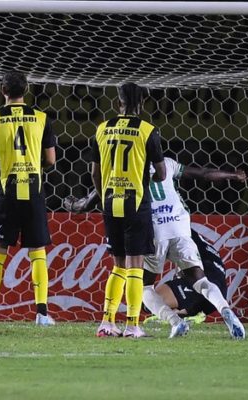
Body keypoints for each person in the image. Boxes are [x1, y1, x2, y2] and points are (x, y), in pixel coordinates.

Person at [65, 157, 247, 339]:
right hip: (180, 228)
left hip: (154, 231)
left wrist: (78, 205)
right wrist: (232, 174)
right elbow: (204, 174)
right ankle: (225, 310)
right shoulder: (167, 163)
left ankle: (176, 322)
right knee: (200, 280)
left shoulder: (129, 167)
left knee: (144, 287)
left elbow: (99, 194)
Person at [0, 71, 57, 327]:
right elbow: (52, 160)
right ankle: (42, 314)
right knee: (38, 250)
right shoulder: (42, 118)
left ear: (2, 91)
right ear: (27, 90)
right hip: (33, 187)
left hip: (5, 188)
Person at [90, 82, 166, 338]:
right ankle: (133, 325)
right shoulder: (147, 131)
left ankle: (106, 322)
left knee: (118, 266)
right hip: (136, 203)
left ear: (117, 102)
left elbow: (95, 172)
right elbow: (162, 173)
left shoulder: (102, 129)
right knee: (136, 266)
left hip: (111, 201)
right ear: (142, 103)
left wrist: (103, 198)